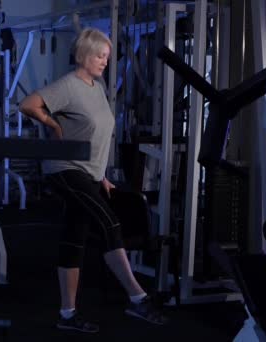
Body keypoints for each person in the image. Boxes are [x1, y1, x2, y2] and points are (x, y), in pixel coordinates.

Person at [19, 27, 167, 333]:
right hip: (64, 168)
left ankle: (67, 314)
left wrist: (100, 177)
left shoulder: (96, 88)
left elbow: (98, 135)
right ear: (84, 55)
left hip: (87, 173)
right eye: (100, 56)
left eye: (107, 57)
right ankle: (138, 299)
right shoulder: (68, 86)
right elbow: (28, 104)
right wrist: (52, 124)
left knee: (74, 237)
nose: (105, 62)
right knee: (109, 223)